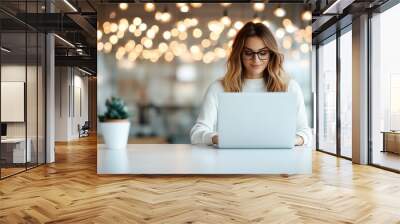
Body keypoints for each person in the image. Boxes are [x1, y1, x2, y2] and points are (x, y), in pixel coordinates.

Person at [190, 21, 312, 146]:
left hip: (278, 161)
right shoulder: (218, 88)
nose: (256, 60)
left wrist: (289, 141)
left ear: (271, 54)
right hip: (230, 162)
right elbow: (196, 133)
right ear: (239, 54)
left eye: (263, 53)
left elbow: (305, 133)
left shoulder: (289, 87)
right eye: (248, 53)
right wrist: (217, 138)